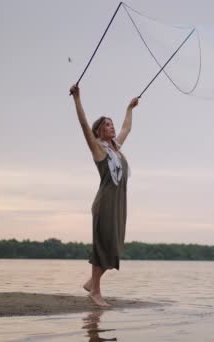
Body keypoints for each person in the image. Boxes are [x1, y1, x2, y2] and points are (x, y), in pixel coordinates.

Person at [70, 84, 138, 307]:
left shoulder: (116, 147)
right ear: (99, 131)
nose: (112, 127)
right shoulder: (98, 148)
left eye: (112, 124)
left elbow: (127, 129)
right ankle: (95, 292)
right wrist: (77, 99)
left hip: (119, 202)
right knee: (102, 244)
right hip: (105, 202)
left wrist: (129, 108)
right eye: (107, 125)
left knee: (114, 246)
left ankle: (92, 281)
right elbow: (82, 124)